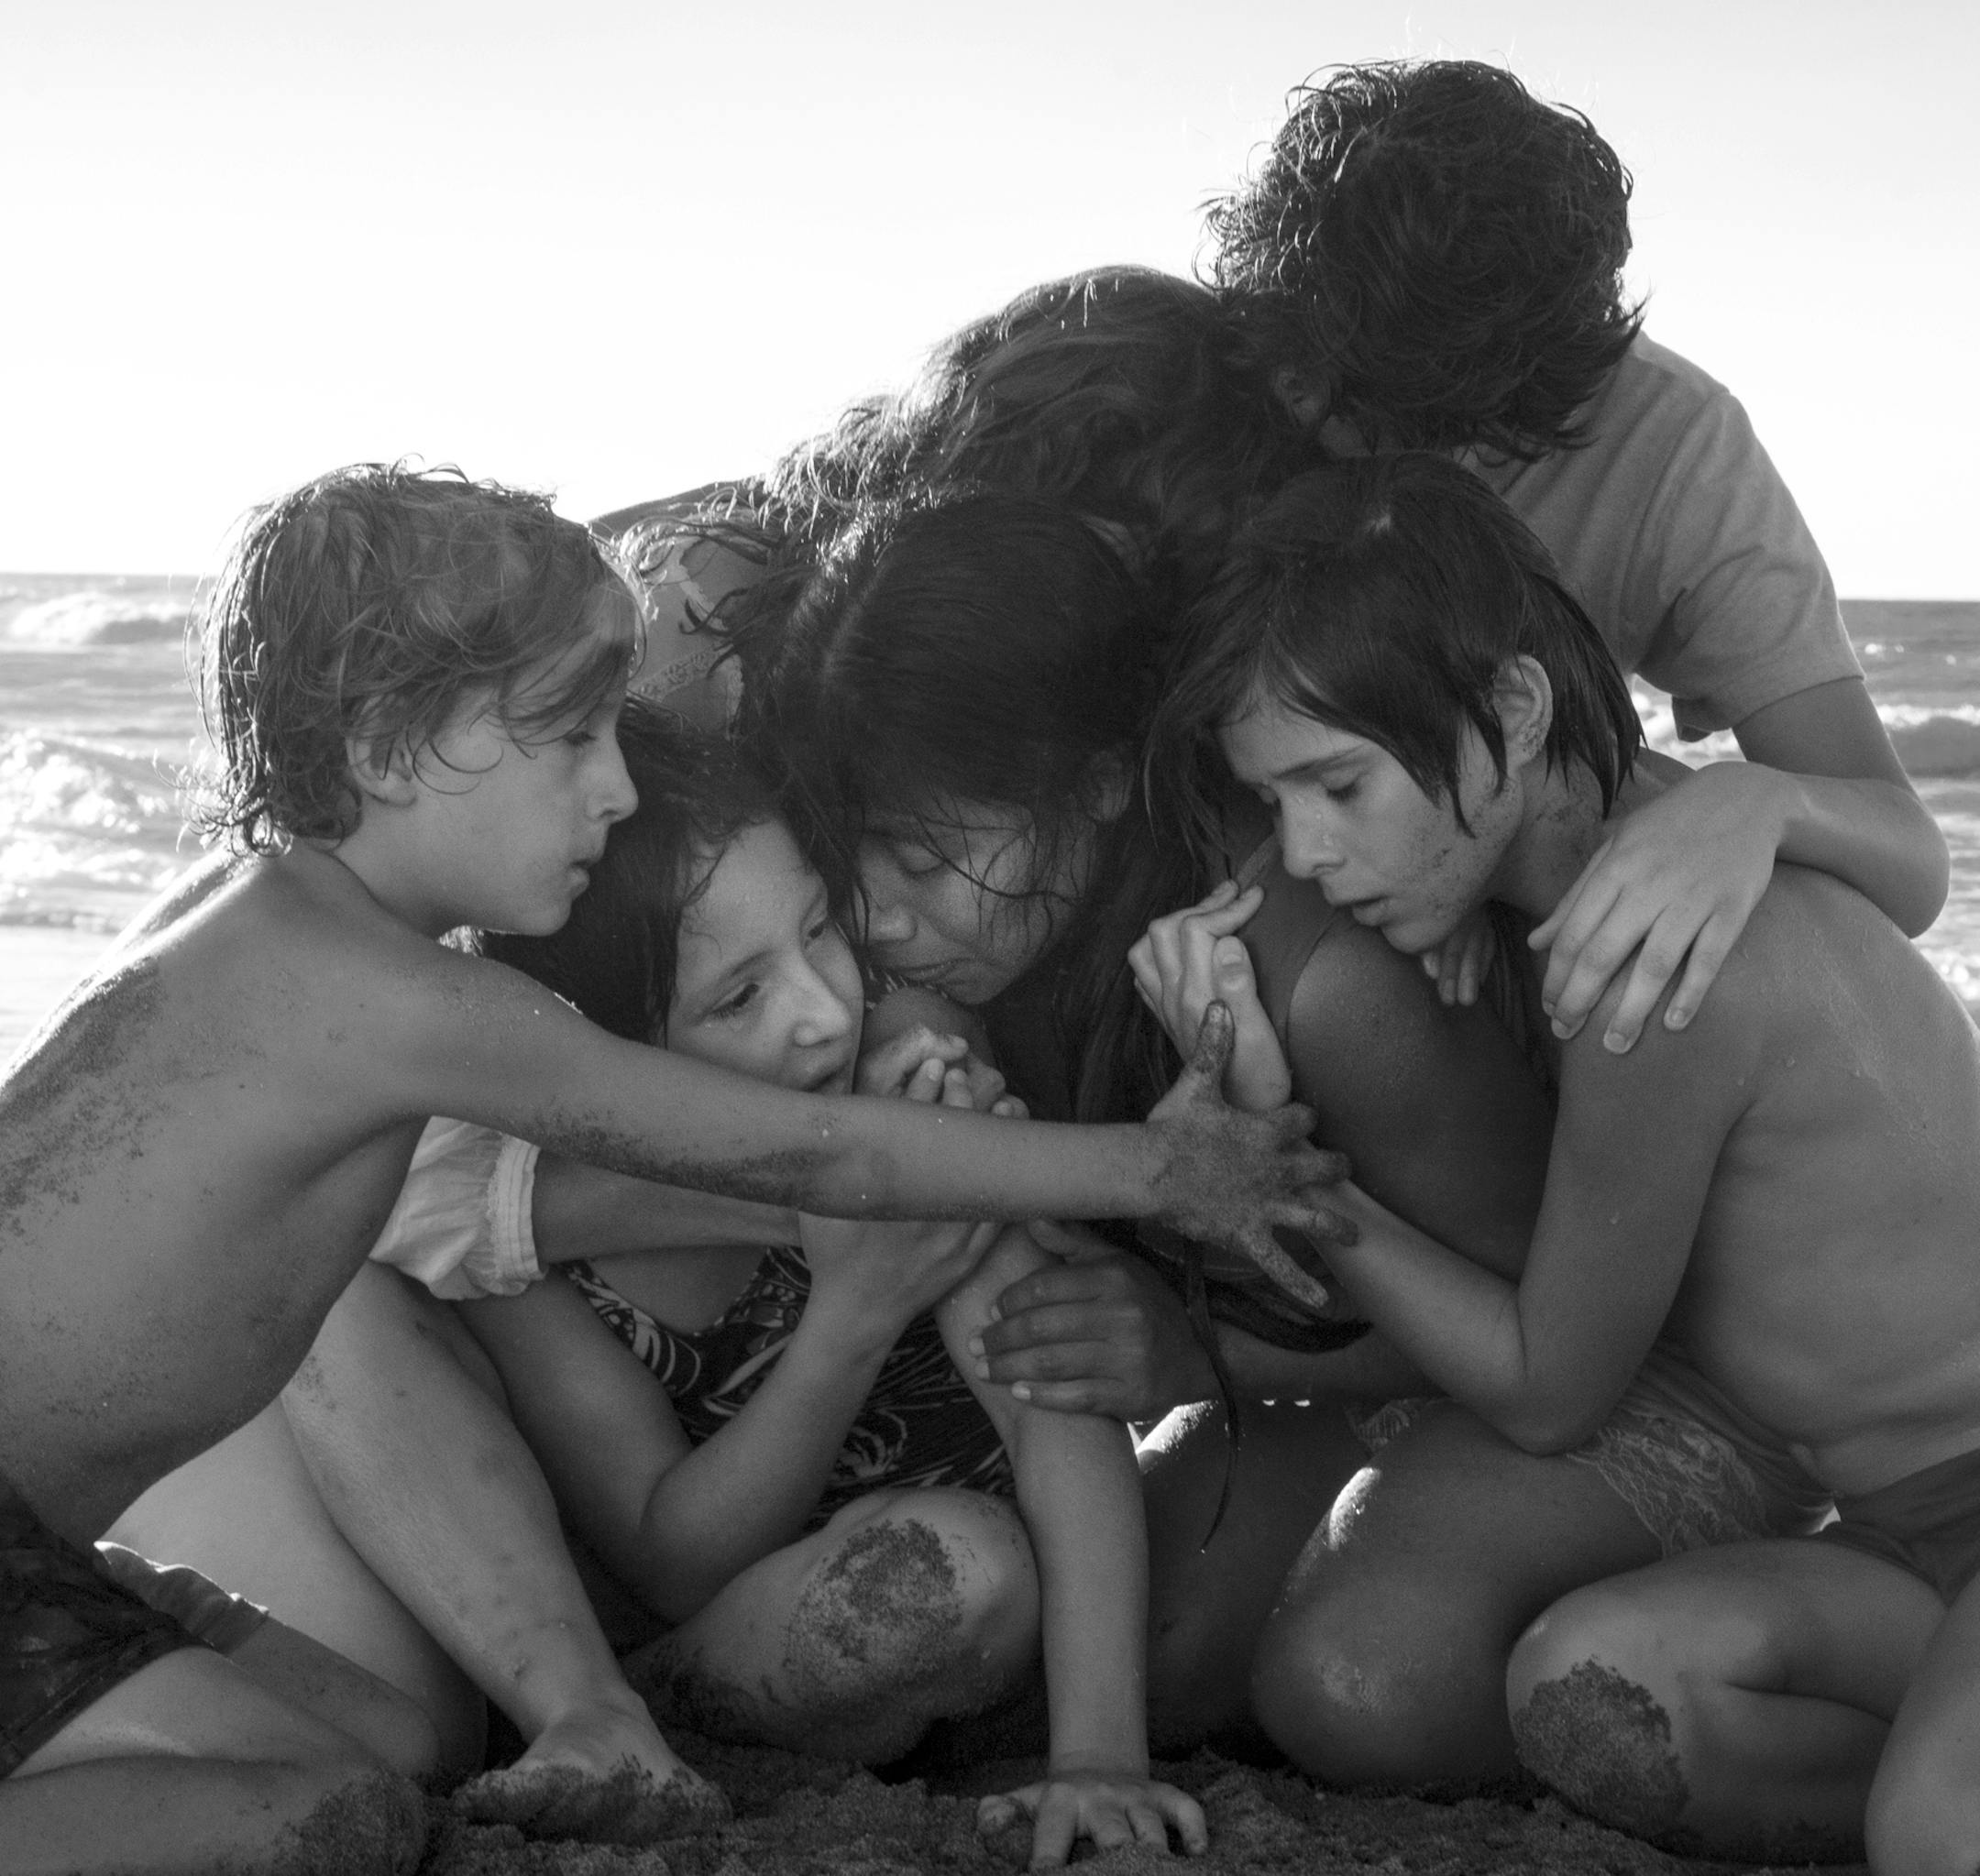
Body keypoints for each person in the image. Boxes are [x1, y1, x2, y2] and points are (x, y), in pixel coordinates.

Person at [0, 461, 1343, 1873]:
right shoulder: (374, 994)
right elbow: (817, 1156)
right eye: (571, 735)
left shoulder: (302, 951)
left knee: (391, 1752)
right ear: (394, 750)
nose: (617, 781)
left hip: (45, 1551)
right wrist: (1168, 1167)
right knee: (340, 1822)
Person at [726, 488, 1825, 1776]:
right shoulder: (985, 958)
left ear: (1086, 788)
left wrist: (1202, 1356)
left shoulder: (1322, 973)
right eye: (858, 860)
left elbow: (1558, 1344)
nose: (883, 919)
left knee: (1359, 1680)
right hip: (1367, 1383)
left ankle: (1773, 1638)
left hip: (1624, 1389)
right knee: (1155, 1651)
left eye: (921, 860)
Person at [1155, 450, 1980, 1865]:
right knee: (1591, 1697)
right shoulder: (1624, 841)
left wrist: (1275, 1171)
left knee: (1934, 1828)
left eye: (1341, 784)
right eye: (1274, 801)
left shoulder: (1650, 958)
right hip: (1908, 1539)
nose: (1302, 851)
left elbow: (1548, 1390)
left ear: (1516, 709)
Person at [456, 701, 1204, 1865]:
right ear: (602, 1064)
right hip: (752, 1642)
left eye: (822, 932)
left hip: (1021, 1656)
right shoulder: (535, 1262)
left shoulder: (902, 1121)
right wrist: (850, 1316)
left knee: (999, 1569)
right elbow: (668, 1555)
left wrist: (1101, 1758)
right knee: (951, 1571)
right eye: (738, 997)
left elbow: (1058, 1417)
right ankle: (649, 1718)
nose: (822, 1011)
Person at [1206, 57, 1947, 1046]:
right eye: (1302, 382)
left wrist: (1755, 806)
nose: (1305, 406)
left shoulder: (1673, 452)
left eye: (1388, 424)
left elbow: (1908, 867)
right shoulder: (1255, 372)